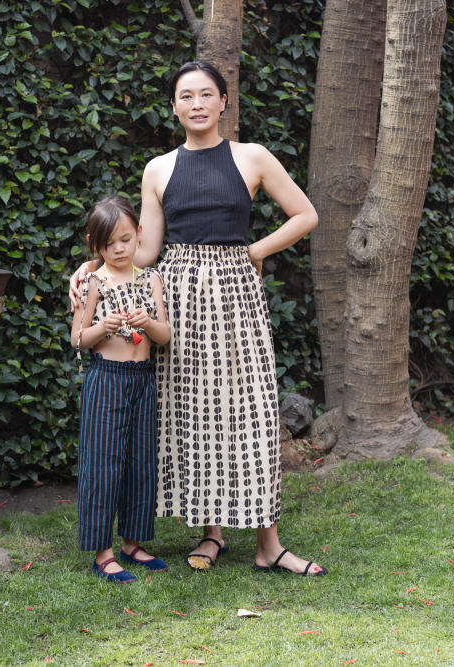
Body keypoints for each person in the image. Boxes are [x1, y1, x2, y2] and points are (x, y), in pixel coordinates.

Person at [72, 61, 325, 576]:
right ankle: (212, 534)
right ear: (174, 107)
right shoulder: (159, 168)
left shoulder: (252, 157)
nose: (197, 104)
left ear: (224, 101)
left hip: (236, 295)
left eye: (207, 94)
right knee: (195, 414)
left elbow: (306, 214)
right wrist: (90, 267)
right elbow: (145, 251)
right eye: (186, 96)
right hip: (179, 297)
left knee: (252, 411)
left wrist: (253, 251)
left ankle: (269, 545)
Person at [71, 195, 171, 583]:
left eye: (125, 240)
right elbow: (78, 339)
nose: (118, 249)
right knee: (102, 463)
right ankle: (103, 552)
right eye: (108, 243)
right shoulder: (93, 282)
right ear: (94, 244)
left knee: (140, 461)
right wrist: (102, 327)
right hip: (106, 379)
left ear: (139, 234)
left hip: (142, 379)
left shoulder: (151, 279)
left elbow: (165, 336)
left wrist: (148, 322)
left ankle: (133, 542)